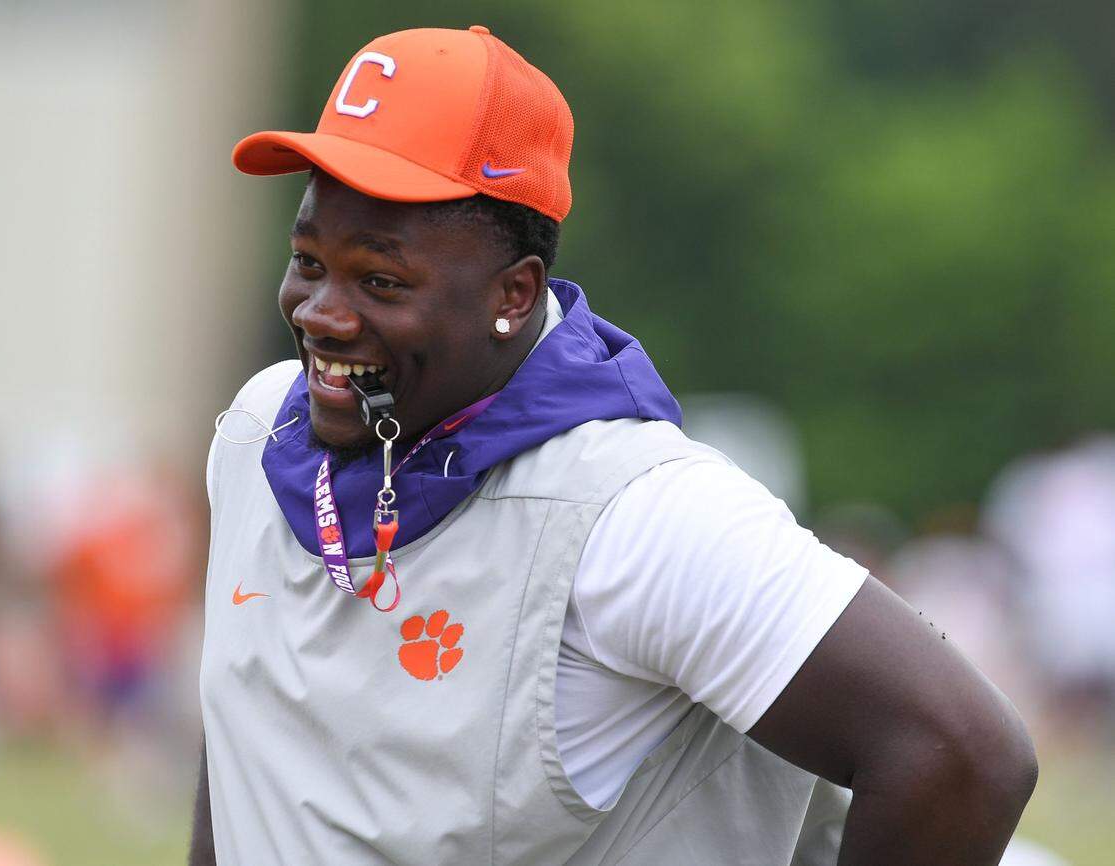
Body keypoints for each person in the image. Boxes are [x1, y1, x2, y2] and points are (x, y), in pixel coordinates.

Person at [191, 25, 1036, 866]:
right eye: (308, 261)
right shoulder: (261, 423)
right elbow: (245, 752)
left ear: (514, 295)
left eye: (380, 280)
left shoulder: (635, 510)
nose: (321, 314)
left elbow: (964, 757)